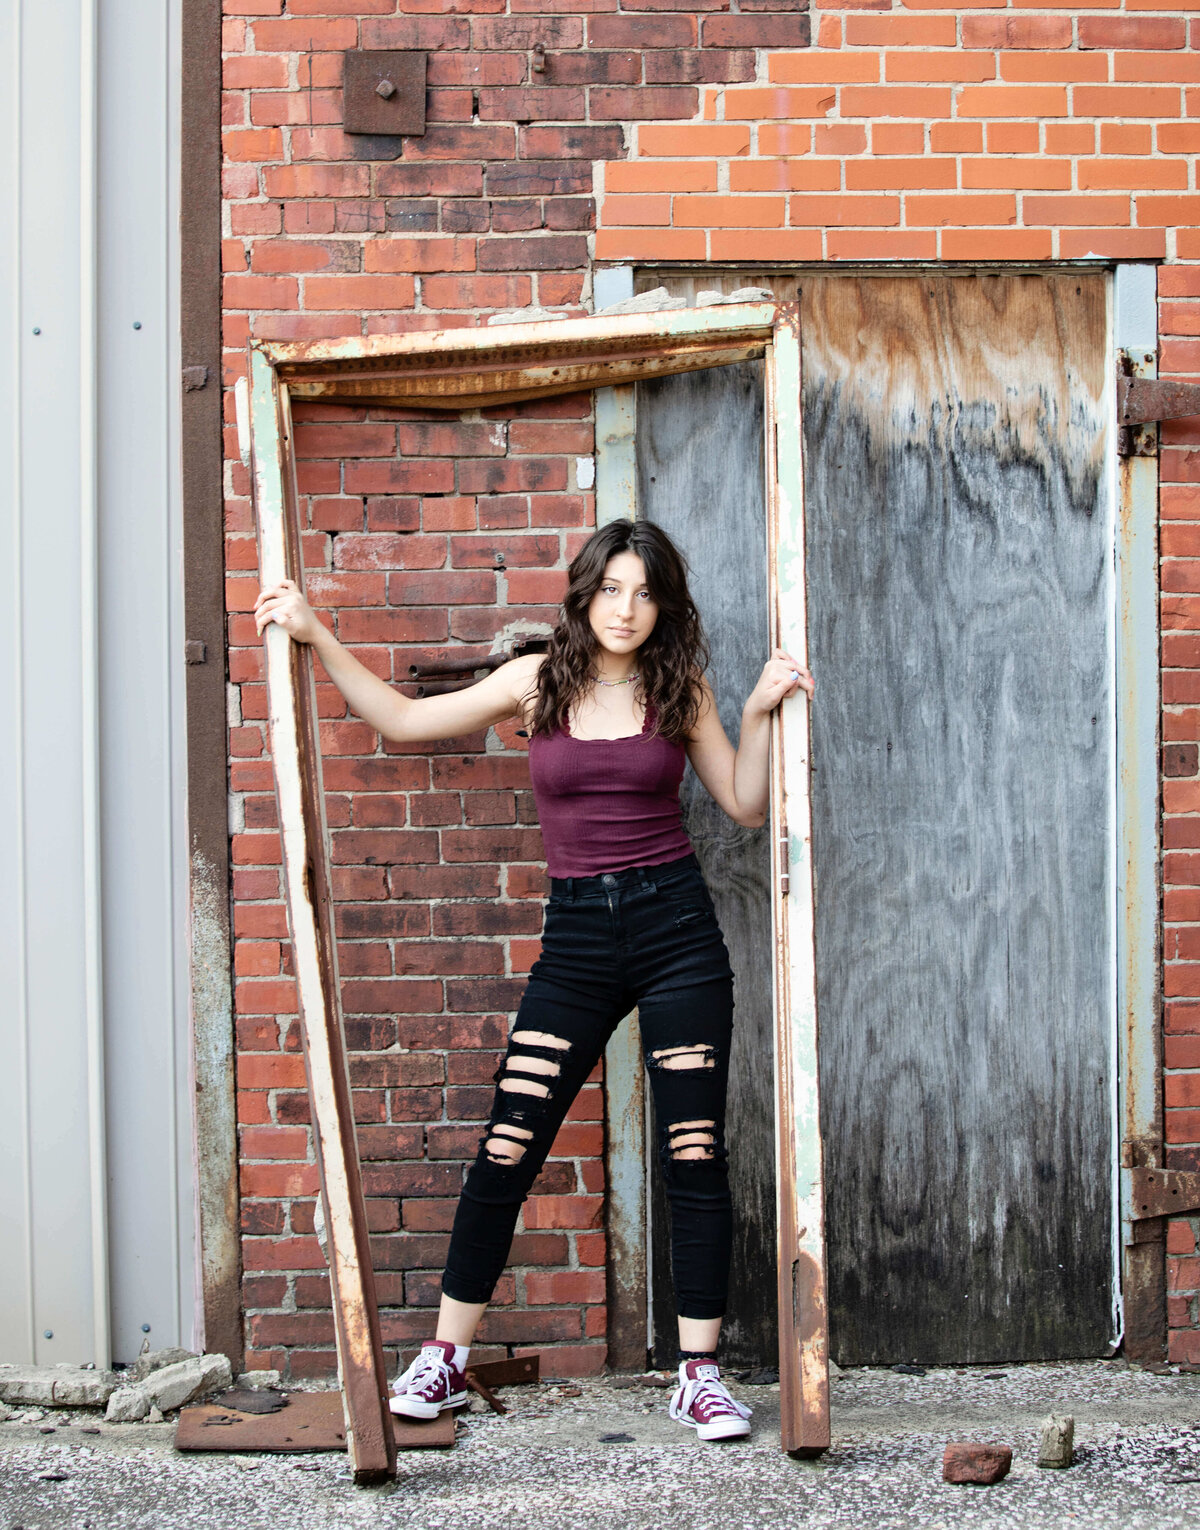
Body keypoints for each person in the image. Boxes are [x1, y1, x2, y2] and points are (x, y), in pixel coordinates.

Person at [255, 517, 813, 1443]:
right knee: (508, 1147)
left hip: (677, 933)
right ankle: (442, 1361)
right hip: (579, 945)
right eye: (610, 590)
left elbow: (745, 806)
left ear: (662, 602)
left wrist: (756, 711)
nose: (626, 610)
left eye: (644, 592)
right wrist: (318, 634)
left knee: (693, 1153)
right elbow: (400, 723)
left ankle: (699, 1376)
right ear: (585, 593)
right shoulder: (536, 681)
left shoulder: (680, 687)